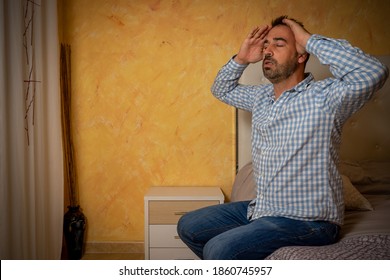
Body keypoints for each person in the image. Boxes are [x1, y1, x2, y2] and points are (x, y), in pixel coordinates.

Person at [177, 15, 389, 260]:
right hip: (263, 209)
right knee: (189, 226)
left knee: (218, 249)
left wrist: (308, 39)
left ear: (301, 55)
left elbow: (373, 72)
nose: (267, 51)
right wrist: (242, 58)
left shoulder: (326, 97)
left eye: (278, 44)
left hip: (309, 221)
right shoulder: (261, 97)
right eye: (266, 45)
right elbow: (221, 89)